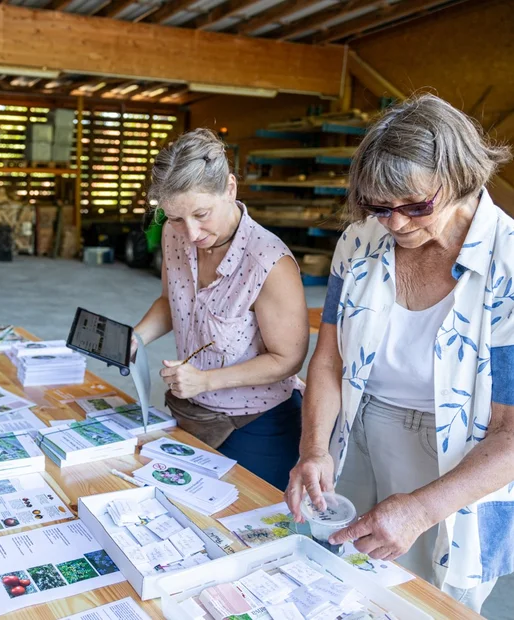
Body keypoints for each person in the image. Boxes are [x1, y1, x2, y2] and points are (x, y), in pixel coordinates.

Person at [286, 93, 514, 613]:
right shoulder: (359, 242)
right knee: (338, 579)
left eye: (415, 206)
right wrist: (315, 448)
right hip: (358, 431)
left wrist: (419, 510)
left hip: (460, 458)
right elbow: (329, 359)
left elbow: (512, 433)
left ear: (461, 177)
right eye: (377, 206)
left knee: (426, 601)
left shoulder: (509, 266)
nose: (394, 224)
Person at [132, 128, 309, 490]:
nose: (192, 233)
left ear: (230, 188)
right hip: (194, 413)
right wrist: (135, 338)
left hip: (258, 424)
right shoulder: (174, 234)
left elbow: (287, 360)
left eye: (201, 214)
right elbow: (172, 302)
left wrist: (205, 380)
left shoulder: (268, 261)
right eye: (176, 217)